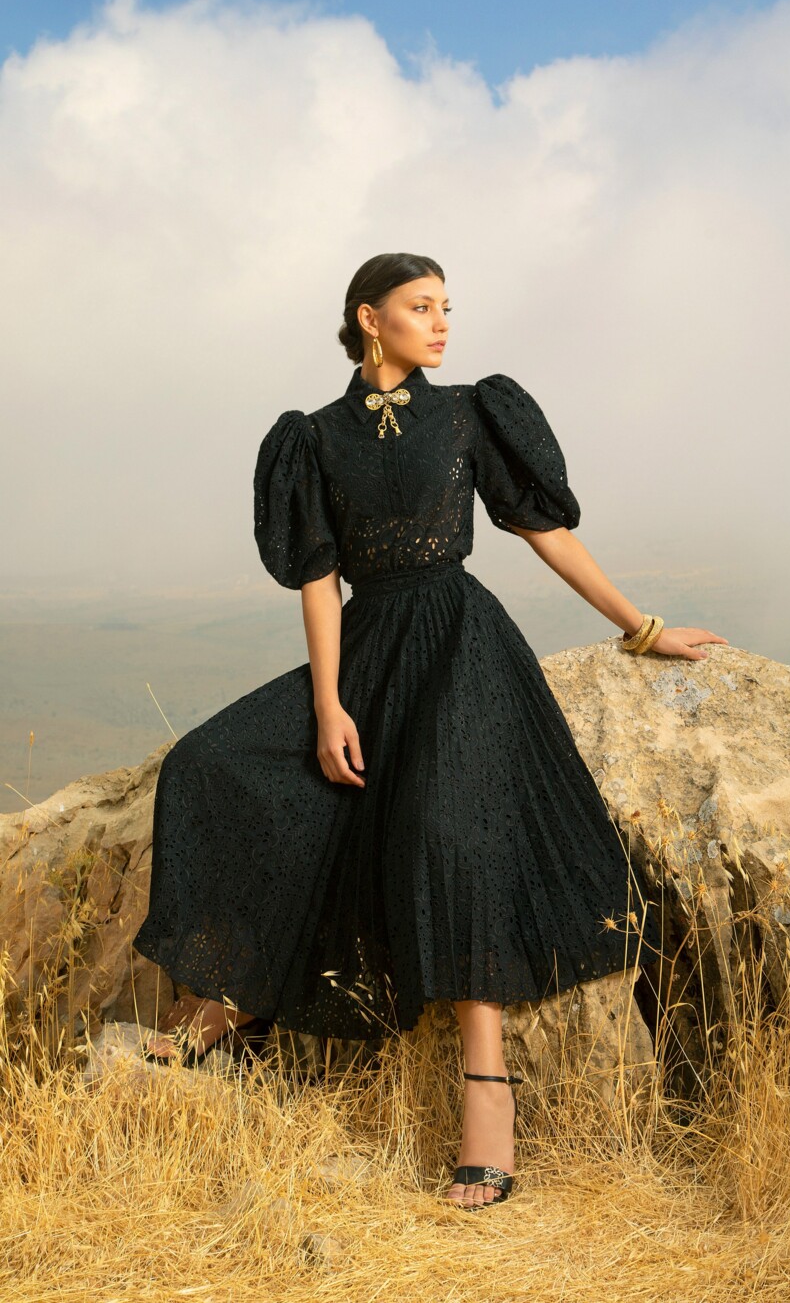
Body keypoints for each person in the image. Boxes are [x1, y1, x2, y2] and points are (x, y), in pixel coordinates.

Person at [131, 251, 728, 1210]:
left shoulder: (467, 413)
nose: (442, 322)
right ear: (371, 319)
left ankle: (487, 1093)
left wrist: (641, 626)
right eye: (421, 306)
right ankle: (230, 1002)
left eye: (447, 307)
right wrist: (329, 704)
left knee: (449, 834)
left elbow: (542, 529)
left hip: (459, 643)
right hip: (368, 645)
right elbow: (320, 579)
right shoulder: (311, 437)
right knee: (210, 763)